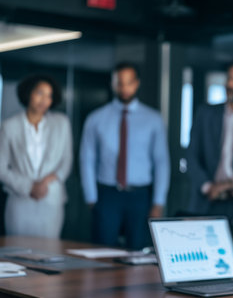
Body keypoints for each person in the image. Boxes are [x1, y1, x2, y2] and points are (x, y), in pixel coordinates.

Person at [80, 62, 170, 250]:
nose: (124, 87)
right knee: (102, 252)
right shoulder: (95, 118)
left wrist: (158, 201)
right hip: (106, 194)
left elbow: (161, 161)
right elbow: (87, 159)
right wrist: (91, 198)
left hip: (140, 196)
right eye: (119, 82)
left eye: (129, 82)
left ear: (136, 83)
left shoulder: (153, 119)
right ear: (113, 84)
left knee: (138, 253)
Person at [187, 59, 233, 220]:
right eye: (228, 78)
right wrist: (208, 187)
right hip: (206, 199)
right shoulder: (205, 113)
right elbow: (191, 154)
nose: (230, 85)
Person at [0, 75, 72, 238]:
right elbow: (1, 168)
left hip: (50, 199)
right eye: (40, 93)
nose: (44, 99)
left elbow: (66, 161)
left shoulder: (62, 123)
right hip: (20, 199)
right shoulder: (9, 126)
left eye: (49, 95)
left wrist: (45, 182)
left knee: (49, 253)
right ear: (28, 93)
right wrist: (28, 186)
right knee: (16, 253)